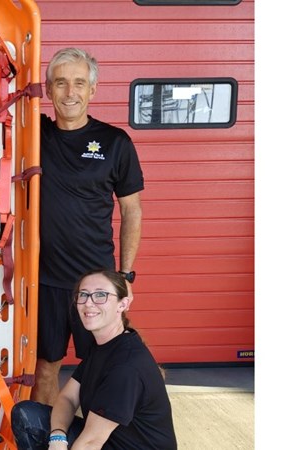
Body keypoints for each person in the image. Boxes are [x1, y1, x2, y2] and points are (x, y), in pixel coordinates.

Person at [32, 47, 144, 405]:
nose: (70, 93)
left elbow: (132, 211)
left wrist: (125, 275)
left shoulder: (115, 143)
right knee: (45, 367)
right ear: (48, 90)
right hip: (45, 280)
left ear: (92, 90)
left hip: (97, 282)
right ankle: (48, 432)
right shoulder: (33, 135)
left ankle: (96, 433)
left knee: (103, 366)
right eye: (60, 83)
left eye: (79, 83)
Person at [12, 269, 176, 449]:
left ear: (122, 304)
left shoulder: (126, 367)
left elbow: (90, 444)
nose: (88, 303)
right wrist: (57, 437)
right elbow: (68, 398)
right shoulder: (103, 346)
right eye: (83, 295)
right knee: (27, 415)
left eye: (100, 295)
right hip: (108, 441)